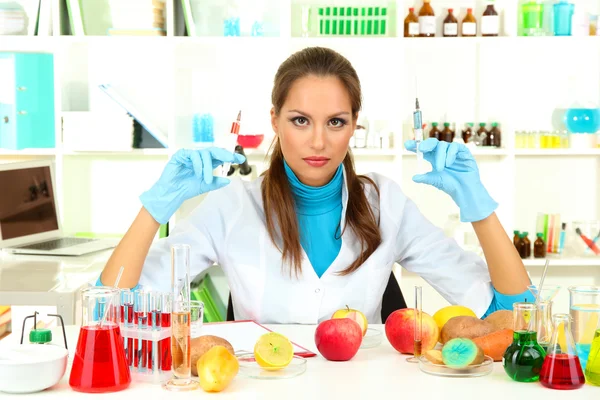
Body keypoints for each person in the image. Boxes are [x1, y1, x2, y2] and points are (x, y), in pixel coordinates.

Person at [98, 47, 533, 324]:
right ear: (275, 120)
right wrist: (154, 208)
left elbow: (513, 315)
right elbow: (111, 308)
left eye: (336, 122)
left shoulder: (387, 206)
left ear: (354, 126)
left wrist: (480, 208)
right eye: (300, 120)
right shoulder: (230, 207)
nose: (319, 141)